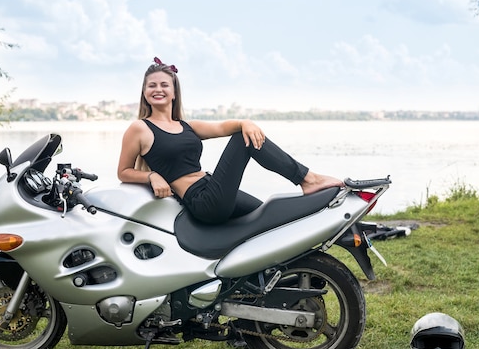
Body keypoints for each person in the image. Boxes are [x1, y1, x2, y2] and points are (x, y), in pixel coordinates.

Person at [117, 57, 344, 225]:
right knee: (240, 140)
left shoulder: (188, 126)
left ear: (174, 92)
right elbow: (123, 171)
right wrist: (152, 175)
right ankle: (308, 179)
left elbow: (222, 126)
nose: (158, 89)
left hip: (212, 186)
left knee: (267, 217)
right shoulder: (140, 128)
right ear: (144, 92)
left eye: (164, 85)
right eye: (152, 85)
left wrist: (246, 121)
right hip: (202, 200)